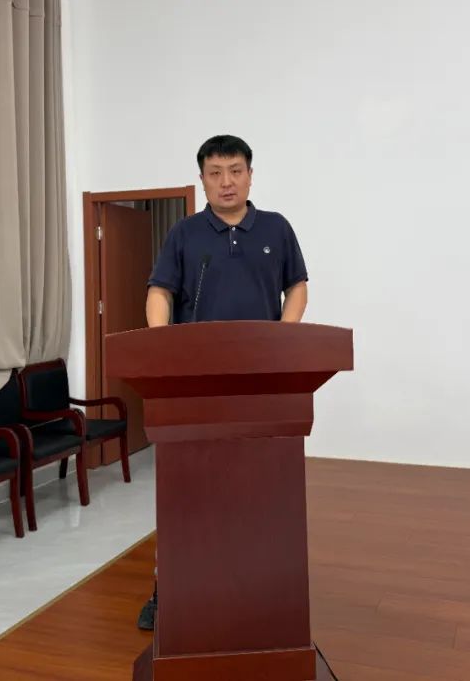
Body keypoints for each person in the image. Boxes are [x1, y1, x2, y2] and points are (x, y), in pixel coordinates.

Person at [136, 134, 309, 630]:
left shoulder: (276, 227)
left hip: (260, 383)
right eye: (215, 173)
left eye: (235, 170)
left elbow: (296, 286)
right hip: (197, 384)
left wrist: (283, 340)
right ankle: (169, 588)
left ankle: (257, 585)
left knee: (257, 488)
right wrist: (162, 345)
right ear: (202, 179)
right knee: (188, 490)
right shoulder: (185, 234)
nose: (226, 181)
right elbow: (160, 291)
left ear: (250, 175)